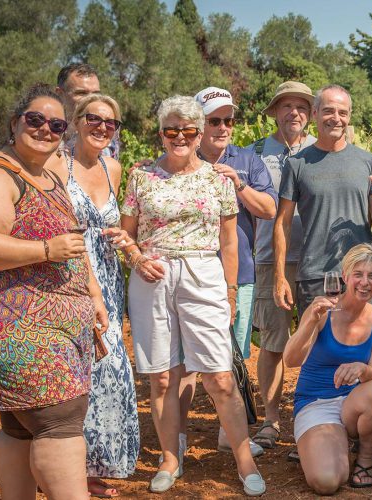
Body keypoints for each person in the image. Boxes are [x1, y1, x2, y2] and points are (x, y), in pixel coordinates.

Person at [0, 83, 108, 499]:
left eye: (56, 124)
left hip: (44, 326)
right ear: (14, 121)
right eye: (34, 119)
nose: (45, 129)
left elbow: (71, 240)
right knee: (60, 419)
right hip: (14, 327)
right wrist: (43, 250)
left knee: (20, 426)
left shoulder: (46, 173)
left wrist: (91, 293)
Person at [119, 96, 264, 495]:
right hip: (153, 274)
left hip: (203, 272)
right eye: (171, 130)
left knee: (218, 374)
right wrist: (135, 257)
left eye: (188, 131)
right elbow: (126, 234)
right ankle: (170, 458)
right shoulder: (141, 176)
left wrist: (232, 290)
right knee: (163, 377)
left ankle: (244, 460)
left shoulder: (219, 180)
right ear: (161, 134)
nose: (179, 137)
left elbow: (230, 241)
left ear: (199, 134)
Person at [192, 86, 277, 456]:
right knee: (184, 359)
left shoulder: (247, 160)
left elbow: (269, 210)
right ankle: (176, 437)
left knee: (234, 353)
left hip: (237, 273)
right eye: (214, 120)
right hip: (189, 269)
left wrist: (238, 184)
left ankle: (231, 433)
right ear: (199, 123)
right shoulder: (180, 158)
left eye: (229, 119)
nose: (223, 126)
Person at [65, 93, 139, 497]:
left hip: (110, 278)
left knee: (107, 367)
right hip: (72, 272)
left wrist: (127, 242)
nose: (102, 128)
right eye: (94, 119)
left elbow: (121, 227)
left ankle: (92, 465)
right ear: (77, 121)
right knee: (77, 367)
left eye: (111, 123)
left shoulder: (113, 166)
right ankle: (68, 469)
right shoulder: (58, 166)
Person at [283, 244, 372, 494]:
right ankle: (324, 446)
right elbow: (290, 360)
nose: (364, 282)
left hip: (353, 405)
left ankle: (365, 460)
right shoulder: (322, 311)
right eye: (358, 274)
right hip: (317, 402)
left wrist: (361, 369)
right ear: (345, 276)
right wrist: (310, 321)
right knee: (327, 482)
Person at [273, 84, 372, 317]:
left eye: (342, 113)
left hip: (362, 273)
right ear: (315, 113)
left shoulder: (368, 162)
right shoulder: (297, 164)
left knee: (364, 347)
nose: (336, 118)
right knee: (317, 349)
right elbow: (282, 223)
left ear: (349, 117)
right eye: (329, 111)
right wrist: (279, 277)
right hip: (315, 276)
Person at [248, 81, 317, 451]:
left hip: (316, 261)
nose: (294, 112)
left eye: (302, 107)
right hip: (268, 260)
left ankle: (311, 415)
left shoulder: (321, 151)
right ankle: (271, 420)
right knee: (273, 342)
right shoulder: (254, 152)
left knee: (316, 341)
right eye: (286, 106)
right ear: (274, 112)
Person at [55, 63, 117, 159]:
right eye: (82, 93)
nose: (91, 99)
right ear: (60, 94)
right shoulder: (46, 133)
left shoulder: (107, 134)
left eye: (96, 94)